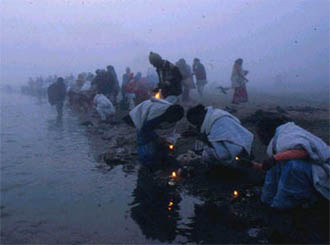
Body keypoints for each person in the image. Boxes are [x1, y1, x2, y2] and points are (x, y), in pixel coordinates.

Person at [256, 116, 330, 209]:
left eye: (260, 133)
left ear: (266, 132)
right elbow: (272, 164)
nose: (259, 137)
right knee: (276, 165)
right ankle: (267, 200)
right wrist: (254, 165)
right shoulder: (279, 139)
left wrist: (274, 158)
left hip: (321, 171)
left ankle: (283, 205)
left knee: (292, 166)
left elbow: (304, 152)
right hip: (311, 170)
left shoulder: (285, 137)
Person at [185, 104, 254, 167]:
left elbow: (225, 154)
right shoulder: (216, 115)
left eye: (196, 122)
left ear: (199, 116)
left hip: (237, 152)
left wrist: (203, 140)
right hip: (245, 144)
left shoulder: (217, 123)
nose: (198, 126)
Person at [125, 98, 184, 166]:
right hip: (142, 112)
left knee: (158, 143)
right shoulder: (157, 114)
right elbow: (145, 129)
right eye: (173, 119)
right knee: (144, 141)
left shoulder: (173, 113)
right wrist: (157, 138)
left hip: (152, 119)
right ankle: (146, 162)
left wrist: (166, 140)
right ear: (169, 115)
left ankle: (159, 158)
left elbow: (170, 132)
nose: (173, 121)